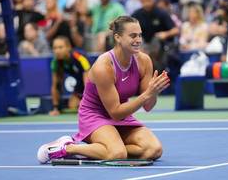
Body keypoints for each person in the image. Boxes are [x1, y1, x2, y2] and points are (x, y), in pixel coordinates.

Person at [37, 16, 170, 163]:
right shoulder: (104, 66)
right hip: (95, 115)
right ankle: (67, 148)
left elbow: (148, 106)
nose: (138, 40)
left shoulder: (144, 61)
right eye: (133, 35)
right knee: (117, 154)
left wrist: (154, 92)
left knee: (154, 150)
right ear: (118, 37)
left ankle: (103, 149)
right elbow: (116, 112)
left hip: (122, 114)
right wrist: (146, 95)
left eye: (139, 35)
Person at [48, 36, 90, 116]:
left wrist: (87, 105)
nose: (57, 51)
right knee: (72, 106)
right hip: (79, 85)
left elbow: (88, 83)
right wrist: (56, 108)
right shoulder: (55, 62)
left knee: (86, 107)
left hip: (94, 84)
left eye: (60, 47)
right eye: (55, 48)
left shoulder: (79, 57)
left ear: (68, 47)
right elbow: (55, 86)